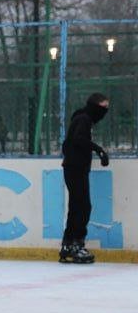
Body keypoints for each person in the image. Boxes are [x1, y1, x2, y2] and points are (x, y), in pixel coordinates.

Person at [59, 93, 110, 264]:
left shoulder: (82, 118)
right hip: (75, 168)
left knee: (76, 206)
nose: (105, 111)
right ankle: (76, 244)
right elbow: (78, 139)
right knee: (82, 206)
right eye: (103, 107)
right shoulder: (84, 119)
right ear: (94, 106)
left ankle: (68, 244)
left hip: (74, 167)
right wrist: (98, 149)